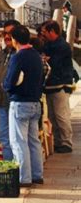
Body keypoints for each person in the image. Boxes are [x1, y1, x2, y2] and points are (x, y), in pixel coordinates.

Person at [3, 25, 44, 187]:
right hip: (35, 102)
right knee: (33, 140)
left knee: (18, 141)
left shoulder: (18, 57)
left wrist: (5, 85)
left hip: (20, 103)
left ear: (15, 40)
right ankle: (37, 175)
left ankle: (24, 178)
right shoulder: (36, 55)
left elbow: (10, 80)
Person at [40, 20, 74, 153]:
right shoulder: (48, 44)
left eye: (44, 32)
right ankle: (58, 141)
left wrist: (48, 59)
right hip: (50, 86)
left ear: (52, 31)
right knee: (53, 116)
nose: (42, 34)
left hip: (60, 85)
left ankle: (66, 142)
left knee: (61, 115)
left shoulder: (62, 46)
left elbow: (55, 63)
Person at [0, 19, 20, 161]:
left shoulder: (20, 54)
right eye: (5, 33)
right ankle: (9, 166)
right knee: (3, 136)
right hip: (1, 102)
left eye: (10, 33)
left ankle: (19, 167)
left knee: (16, 137)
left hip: (15, 101)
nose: (7, 37)